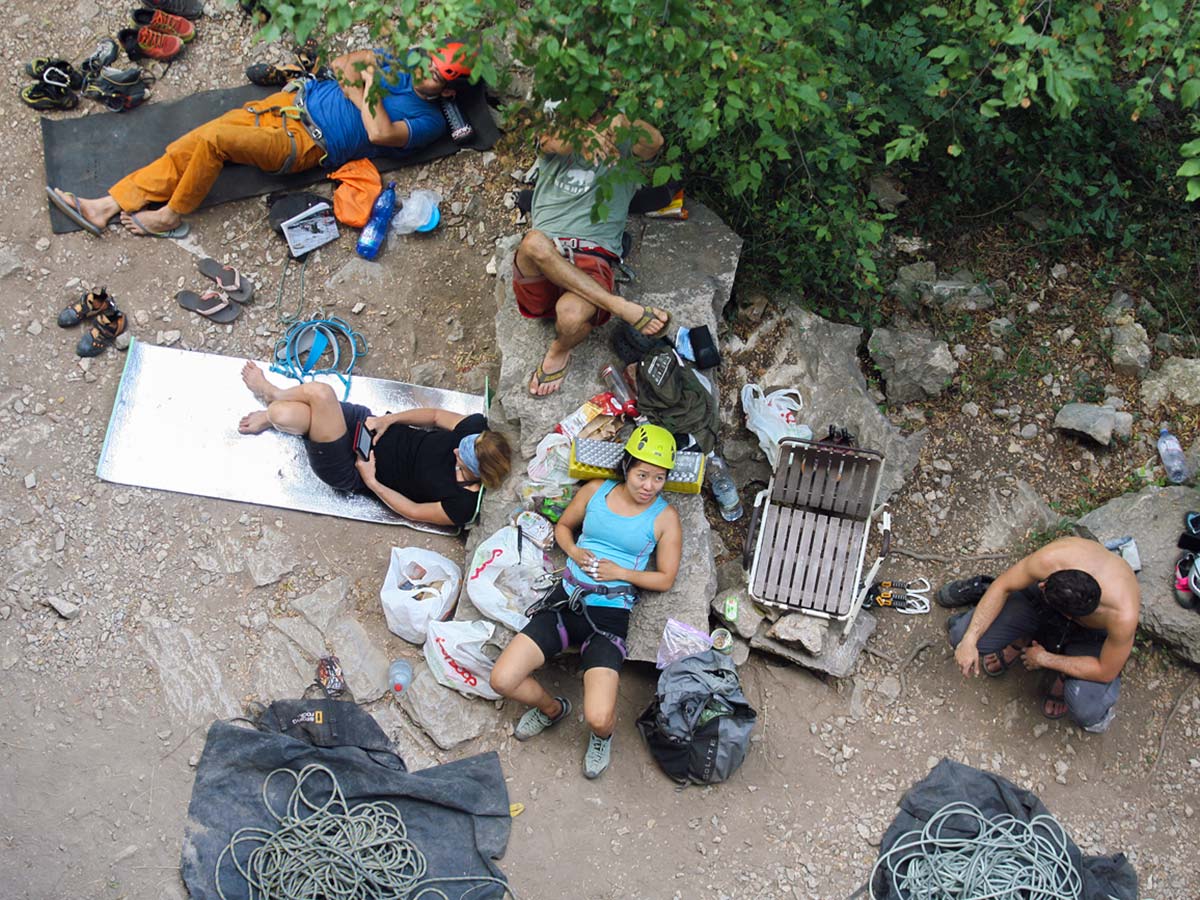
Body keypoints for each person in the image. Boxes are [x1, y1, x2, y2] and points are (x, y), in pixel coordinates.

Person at [47, 42, 471, 237]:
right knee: (188, 145)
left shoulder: (429, 120)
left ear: (448, 91)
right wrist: (364, 90)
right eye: (428, 63)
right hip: (283, 106)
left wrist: (364, 87)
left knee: (212, 142)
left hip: (306, 143)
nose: (422, 73)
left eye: (435, 75)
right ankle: (106, 205)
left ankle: (172, 213)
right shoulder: (401, 63)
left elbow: (381, 132)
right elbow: (344, 63)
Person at [490, 424, 682, 778]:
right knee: (502, 679)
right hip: (566, 599)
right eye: (642, 475)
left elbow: (665, 577)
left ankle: (601, 738)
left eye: (658, 478)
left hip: (609, 617)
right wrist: (576, 552)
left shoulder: (664, 518)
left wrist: (621, 573)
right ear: (627, 467)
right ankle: (553, 709)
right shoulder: (596, 491)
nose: (648, 486)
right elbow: (563, 528)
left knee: (599, 717)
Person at [236, 361, 509, 527]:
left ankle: (271, 394)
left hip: (350, 468)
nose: (454, 450)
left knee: (316, 396)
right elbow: (436, 416)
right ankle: (273, 404)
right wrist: (387, 422)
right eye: (461, 446)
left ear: (478, 473)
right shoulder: (474, 430)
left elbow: (413, 512)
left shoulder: (461, 503)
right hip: (365, 426)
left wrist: (371, 480)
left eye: (460, 457)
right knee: (288, 413)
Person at [514, 112, 671, 397]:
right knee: (533, 242)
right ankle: (620, 306)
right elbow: (549, 141)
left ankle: (560, 348)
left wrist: (626, 123)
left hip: (593, 254)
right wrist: (581, 133)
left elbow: (655, 143)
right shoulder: (557, 124)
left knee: (572, 317)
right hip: (545, 249)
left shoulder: (625, 137)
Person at [943, 536, 1140, 732]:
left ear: (1068, 615)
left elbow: (1105, 670)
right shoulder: (1054, 559)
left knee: (1086, 711)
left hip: (1091, 633)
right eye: (1045, 583)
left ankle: (1064, 669)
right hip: (1039, 606)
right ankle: (1022, 637)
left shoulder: (1122, 616)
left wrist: (1045, 659)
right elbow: (1003, 586)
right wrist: (970, 638)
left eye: (1044, 587)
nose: (1040, 584)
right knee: (961, 636)